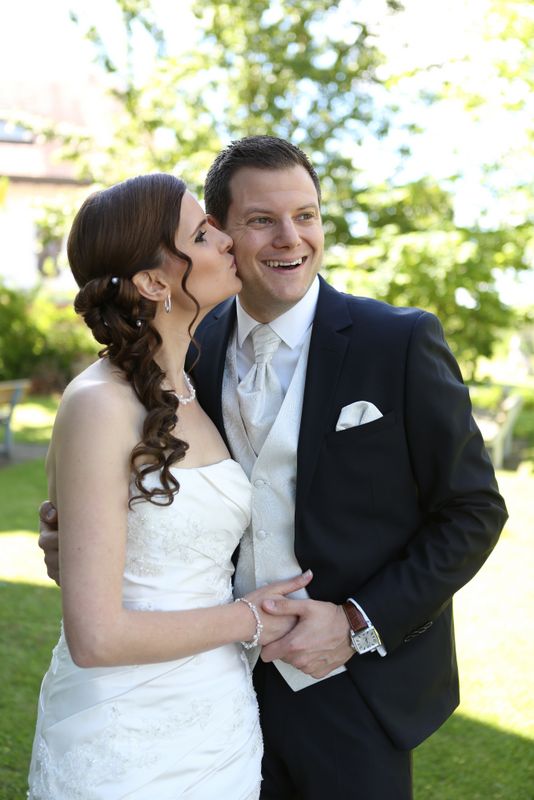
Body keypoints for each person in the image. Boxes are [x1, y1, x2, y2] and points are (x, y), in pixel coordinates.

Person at [39, 138, 508, 799]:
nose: (292, 238)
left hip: (351, 691)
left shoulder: (397, 342)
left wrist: (357, 623)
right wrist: (78, 540)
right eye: (261, 220)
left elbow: (473, 509)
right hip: (207, 684)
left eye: (307, 215)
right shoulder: (180, 355)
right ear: (222, 233)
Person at [28, 172, 313, 800]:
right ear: (155, 283)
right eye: (203, 236)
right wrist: (249, 619)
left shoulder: (189, 389)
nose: (228, 241)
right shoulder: (99, 405)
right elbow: (97, 637)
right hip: (124, 732)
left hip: (218, 717)